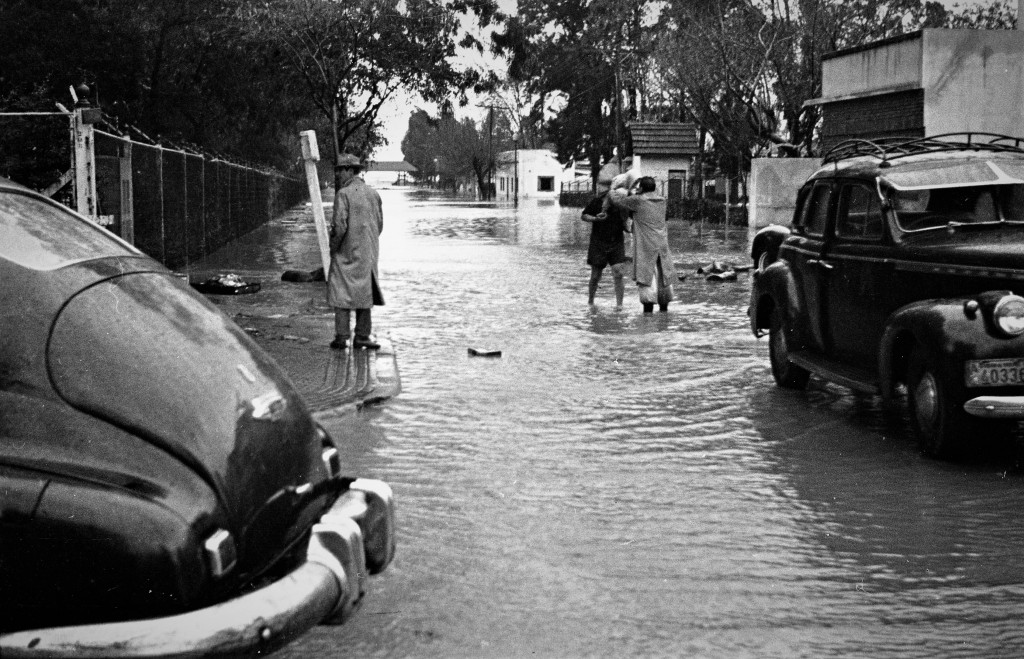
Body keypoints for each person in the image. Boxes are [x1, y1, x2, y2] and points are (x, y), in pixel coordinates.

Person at [328, 153, 384, 350]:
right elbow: (379, 224)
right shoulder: (374, 194)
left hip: (347, 251)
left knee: (341, 291)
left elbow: (339, 226)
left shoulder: (343, 194)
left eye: (340, 170)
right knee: (365, 293)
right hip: (368, 253)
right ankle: (362, 335)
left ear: (350, 170)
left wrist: (333, 248)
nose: (338, 175)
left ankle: (341, 336)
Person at [608, 171, 678, 313]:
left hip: (646, 246)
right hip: (662, 245)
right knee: (663, 278)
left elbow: (616, 200)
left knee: (647, 283)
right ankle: (664, 318)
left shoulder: (638, 200)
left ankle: (648, 319)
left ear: (641, 188)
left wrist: (612, 188)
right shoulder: (662, 201)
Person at [580, 174, 631, 306]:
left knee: (618, 273)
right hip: (598, 242)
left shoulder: (626, 202)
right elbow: (584, 215)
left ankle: (619, 306)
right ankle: (591, 302)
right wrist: (595, 219)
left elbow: (631, 220)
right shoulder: (598, 201)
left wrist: (629, 226)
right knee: (595, 276)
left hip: (617, 242)